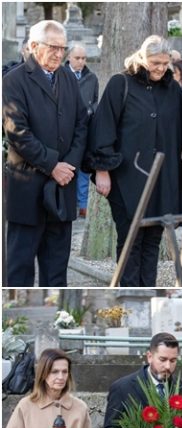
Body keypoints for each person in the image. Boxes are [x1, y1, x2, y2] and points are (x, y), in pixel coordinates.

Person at [86, 35, 182, 287]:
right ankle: (130, 291)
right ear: (142, 58)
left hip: (162, 178)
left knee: (153, 237)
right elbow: (103, 126)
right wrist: (102, 169)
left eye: (165, 63)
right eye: (155, 63)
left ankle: (147, 289)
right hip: (127, 177)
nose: (160, 68)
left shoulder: (171, 88)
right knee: (131, 238)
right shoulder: (121, 83)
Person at [2, 20, 88, 286]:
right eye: (53, 47)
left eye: (62, 48)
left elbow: (81, 124)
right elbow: (17, 131)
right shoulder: (14, 80)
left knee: (56, 269)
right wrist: (53, 165)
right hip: (28, 186)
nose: (58, 54)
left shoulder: (67, 78)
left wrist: (69, 166)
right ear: (34, 46)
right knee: (20, 267)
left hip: (62, 187)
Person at [66, 43, 99, 218]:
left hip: (84, 127)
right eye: (77, 58)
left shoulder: (91, 78)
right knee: (68, 167)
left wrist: (90, 111)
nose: (81, 61)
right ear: (69, 57)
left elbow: (95, 100)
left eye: (84, 58)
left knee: (84, 169)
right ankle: (70, 203)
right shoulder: (62, 75)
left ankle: (83, 204)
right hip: (65, 129)